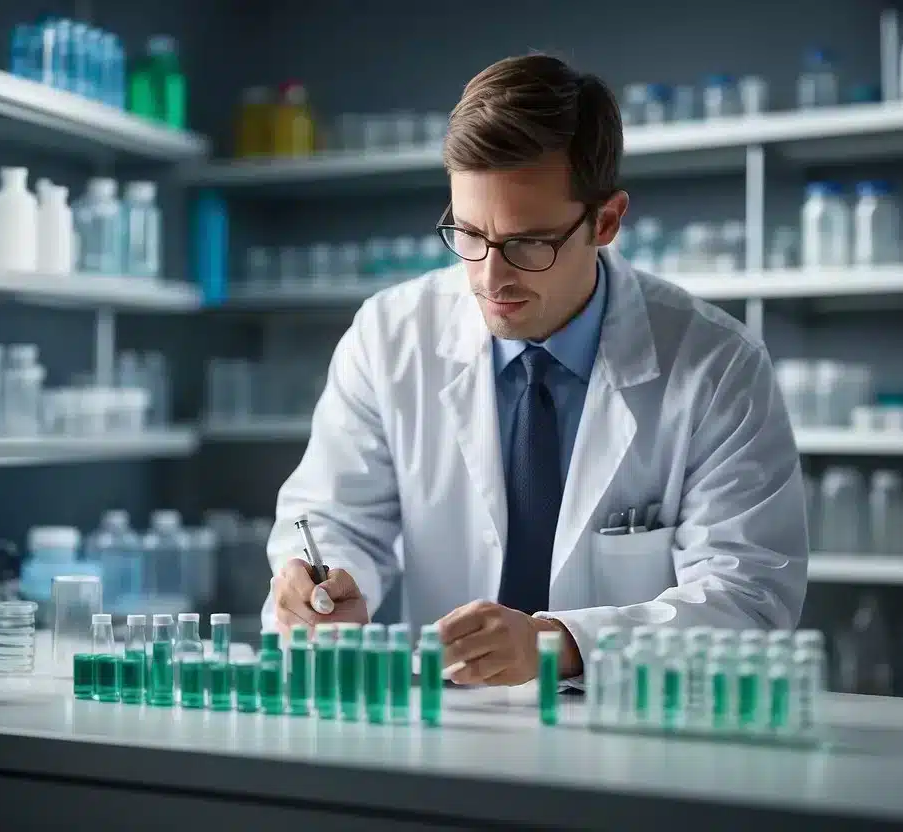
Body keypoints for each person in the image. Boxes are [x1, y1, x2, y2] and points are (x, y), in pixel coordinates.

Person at [264, 54, 808, 686]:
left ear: (605, 222)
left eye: (528, 244)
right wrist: (325, 585)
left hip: (631, 733)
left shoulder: (717, 364)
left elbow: (750, 598)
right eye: (468, 234)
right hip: (442, 722)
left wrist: (561, 645)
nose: (490, 278)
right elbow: (337, 517)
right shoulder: (389, 337)